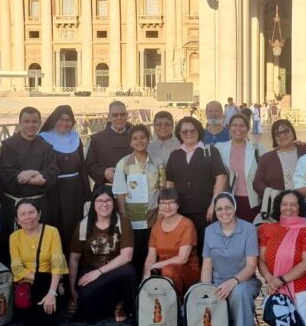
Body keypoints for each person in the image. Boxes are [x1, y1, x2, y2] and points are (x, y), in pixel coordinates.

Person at [0, 107, 60, 267]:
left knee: (40, 247)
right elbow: (5, 173)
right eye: (26, 121)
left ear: (40, 123)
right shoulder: (8, 145)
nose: (31, 125)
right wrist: (36, 179)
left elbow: (52, 172)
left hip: (39, 204)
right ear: (20, 123)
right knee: (12, 248)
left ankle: (40, 277)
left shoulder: (46, 147)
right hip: (13, 205)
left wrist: (33, 173)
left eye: (34, 122)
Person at [68, 186, 136, 323]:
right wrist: (72, 289)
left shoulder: (122, 222)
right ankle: (111, 306)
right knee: (86, 299)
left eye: (108, 200)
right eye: (99, 201)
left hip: (114, 272)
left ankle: (120, 305)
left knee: (129, 271)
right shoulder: (83, 225)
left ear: (113, 203)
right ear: (93, 204)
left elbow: (126, 256)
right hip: (90, 272)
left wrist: (98, 272)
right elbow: (74, 259)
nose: (104, 204)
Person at [257, 190, 306, 326]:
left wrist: (281, 280)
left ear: (300, 207)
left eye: (293, 204)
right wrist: (270, 279)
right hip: (276, 288)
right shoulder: (267, 229)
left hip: (303, 289)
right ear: (278, 206)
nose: (288, 208)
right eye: (284, 204)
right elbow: (261, 260)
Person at [164, 116, 227, 255]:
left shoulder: (210, 151)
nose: (189, 134)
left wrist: (214, 204)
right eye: (184, 131)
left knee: (205, 250)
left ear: (199, 131)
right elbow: (170, 183)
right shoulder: (174, 155)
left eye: (193, 130)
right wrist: (168, 207)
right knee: (183, 249)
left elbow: (221, 178)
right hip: (180, 211)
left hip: (205, 211)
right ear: (179, 134)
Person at [201, 193, 260, 326]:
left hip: (244, 281)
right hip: (217, 282)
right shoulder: (209, 231)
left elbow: (251, 266)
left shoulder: (249, 229)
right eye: (219, 209)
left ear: (235, 208)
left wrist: (233, 282)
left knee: (239, 292)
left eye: (228, 207)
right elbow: (207, 266)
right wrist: (206, 289)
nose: (224, 212)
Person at [113, 124, 161, 281]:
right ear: (130, 142)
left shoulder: (158, 162)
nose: (139, 141)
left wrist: (161, 215)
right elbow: (120, 192)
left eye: (142, 137)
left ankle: (149, 285)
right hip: (132, 220)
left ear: (148, 139)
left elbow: (162, 189)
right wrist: (124, 217)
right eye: (135, 138)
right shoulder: (123, 164)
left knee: (151, 254)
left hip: (153, 219)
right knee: (134, 257)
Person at [9, 199, 68, 326]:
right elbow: (16, 268)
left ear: (39, 214)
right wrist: (42, 279)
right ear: (17, 219)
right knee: (33, 324)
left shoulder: (52, 232)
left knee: (49, 319)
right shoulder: (14, 237)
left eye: (31, 212)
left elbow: (58, 262)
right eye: (22, 214)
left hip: (51, 282)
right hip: (29, 284)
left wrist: (52, 292)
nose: (27, 217)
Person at [39, 105, 90, 250]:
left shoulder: (75, 138)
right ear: (54, 120)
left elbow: (83, 168)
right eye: (61, 119)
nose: (65, 123)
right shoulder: (44, 139)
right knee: (56, 225)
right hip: (54, 191)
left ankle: (74, 257)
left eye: (68, 120)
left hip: (75, 191)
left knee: (74, 225)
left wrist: (87, 195)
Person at [144, 188, 200, 300]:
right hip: (163, 270)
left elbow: (182, 259)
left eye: (171, 202)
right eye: (163, 203)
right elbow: (150, 258)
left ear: (178, 205)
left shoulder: (187, 224)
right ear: (159, 206)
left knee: (168, 270)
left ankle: (177, 303)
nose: (167, 207)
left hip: (186, 270)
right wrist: (146, 279)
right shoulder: (156, 227)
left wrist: (157, 266)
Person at [215, 113, 264, 222]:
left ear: (247, 128)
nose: (238, 129)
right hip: (227, 201)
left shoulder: (257, 148)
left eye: (242, 126)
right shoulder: (219, 147)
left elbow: (272, 158)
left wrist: (293, 144)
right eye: (234, 125)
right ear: (229, 128)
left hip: (250, 202)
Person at [253, 119, 306, 199]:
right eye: (278, 134)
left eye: (286, 131)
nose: (282, 135)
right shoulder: (266, 158)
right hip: (280, 204)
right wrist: (274, 193)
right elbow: (257, 183)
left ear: (292, 131)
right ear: (274, 138)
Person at [84, 100, 132, 187]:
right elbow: (90, 165)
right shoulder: (98, 139)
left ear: (127, 115)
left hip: (132, 187)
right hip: (106, 188)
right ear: (109, 117)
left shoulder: (136, 137)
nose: (119, 118)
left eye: (122, 114)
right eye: (115, 115)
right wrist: (104, 172)